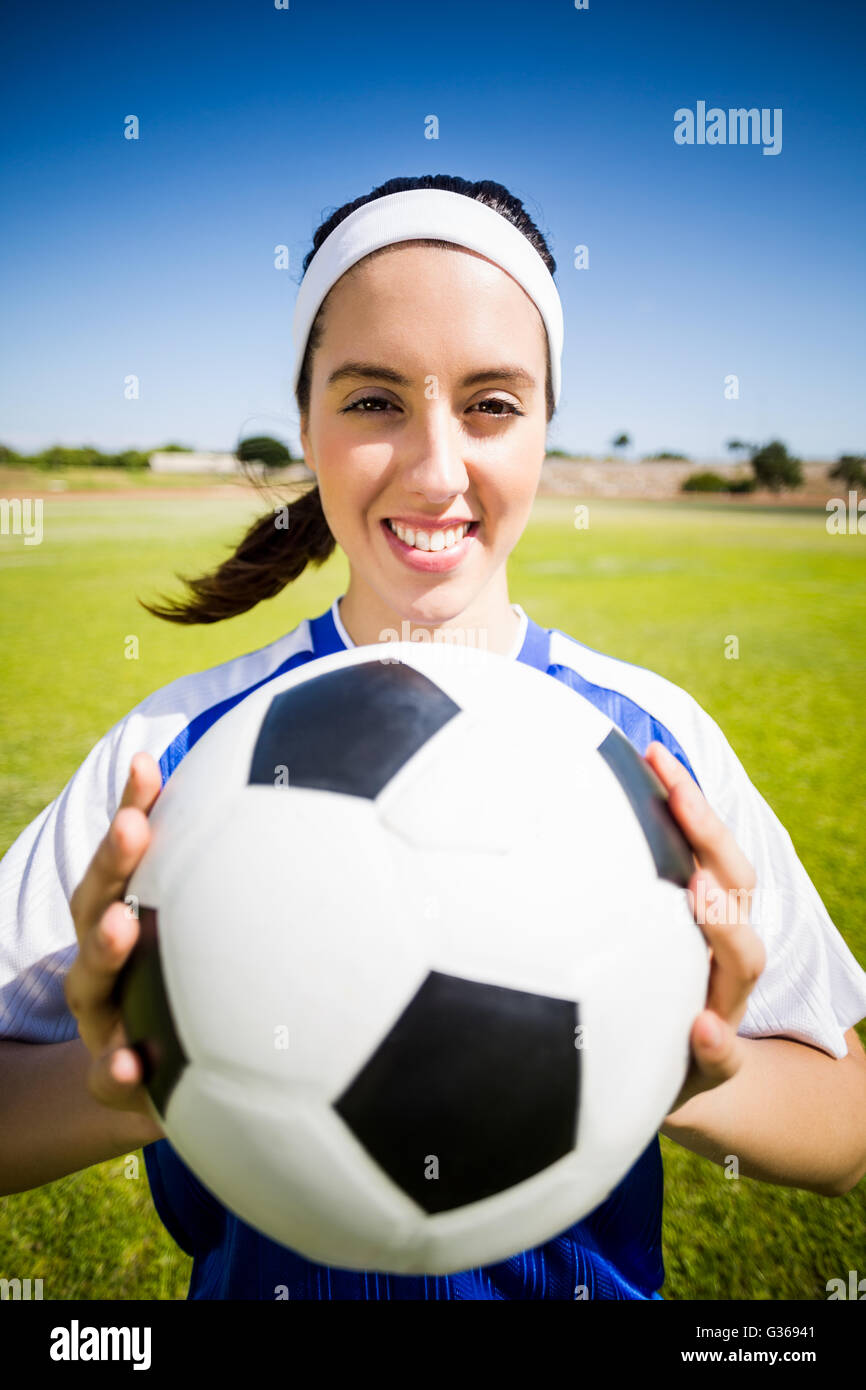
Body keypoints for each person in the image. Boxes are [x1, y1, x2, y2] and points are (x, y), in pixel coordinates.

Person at [2, 173, 865, 1302]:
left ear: (545, 424)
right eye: (371, 402)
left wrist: (688, 1064)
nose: (435, 466)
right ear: (304, 416)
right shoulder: (174, 751)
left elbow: (844, 1128)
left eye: (491, 403)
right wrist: (119, 1079)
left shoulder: (651, 746)